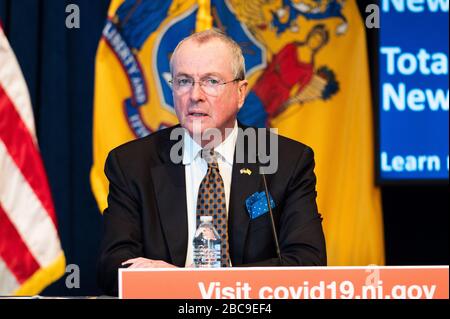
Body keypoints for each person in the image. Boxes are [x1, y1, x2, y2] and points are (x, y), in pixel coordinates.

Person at [97, 29, 326, 296]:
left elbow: (308, 265)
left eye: (211, 81)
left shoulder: (285, 162)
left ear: (241, 93)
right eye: (183, 81)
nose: (195, 95)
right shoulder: (132, 164)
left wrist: (200, 284)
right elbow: (112, 267)